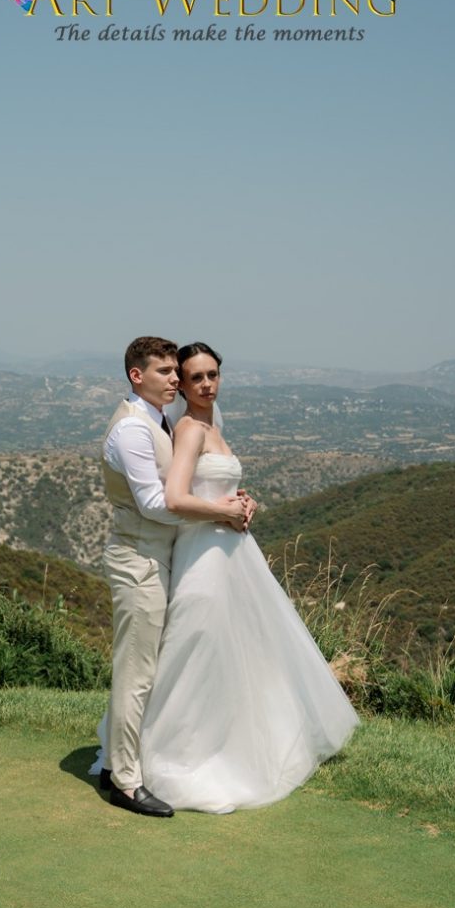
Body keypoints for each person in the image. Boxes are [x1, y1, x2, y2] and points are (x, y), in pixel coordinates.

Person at [138, 341, 360, 813]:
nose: (206, 384)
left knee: (241, 648)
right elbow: (176, 497)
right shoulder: (189, 430)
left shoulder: (214, 426)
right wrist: (224, 511)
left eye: (212, 375)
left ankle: (239, 744)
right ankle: (183, 753)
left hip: (232, 551)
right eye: (195, 377)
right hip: (205, 552)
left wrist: (242, 500)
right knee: (200, 645)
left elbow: (213, 485)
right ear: (182, 384)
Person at [97, 336, 250, 817]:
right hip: (138, 560)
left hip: (162, 556)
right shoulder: (132, 430)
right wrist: (220, 513)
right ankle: (125, 782)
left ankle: (115, 762)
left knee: (147, 666)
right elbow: (154, 503)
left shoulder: (160, 420)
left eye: (174, 371)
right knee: (137, 672)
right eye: (165, 372)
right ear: (136, 376)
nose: (175, 379)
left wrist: (231, 501)